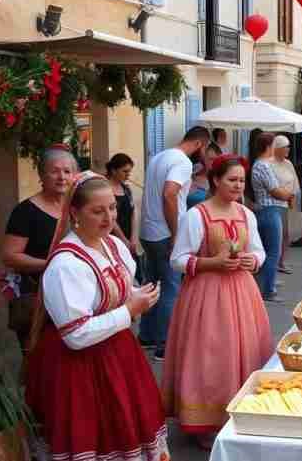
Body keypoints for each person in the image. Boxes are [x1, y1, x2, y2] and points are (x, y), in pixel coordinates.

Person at [25, 172, 168, 461]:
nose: (109, 218)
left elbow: (120, 290)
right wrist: (130, 310)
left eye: (112, 208)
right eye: (98, 211)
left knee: (125, 424)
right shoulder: (66, 264)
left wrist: (139, 296)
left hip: (119, 354)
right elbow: (76, 335)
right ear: (75, 212)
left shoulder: (113, 246)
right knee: (92, 435)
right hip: (78, 367)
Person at [163, 155, 271, 450]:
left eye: (241, 180)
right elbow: (177, 260)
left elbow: (259, 251)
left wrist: (254, 260)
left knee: (245, 351)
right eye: (232, 180)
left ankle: (240, 415)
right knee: (211, 357)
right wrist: (211, 263)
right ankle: (206, 422)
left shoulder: (246, 214)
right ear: (215, 180)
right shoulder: (197, 215)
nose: (238, 185)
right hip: (206, 296)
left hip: (242, 293)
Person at [139, 126, 211, 361]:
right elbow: (170, 194)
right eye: (206, 148)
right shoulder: (182, 162)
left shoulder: (160, 155)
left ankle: (147, 336)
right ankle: (166, 344)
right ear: (200, 144)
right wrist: (175, 233)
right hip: (164, 232)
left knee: (152, 285)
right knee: (171, 288)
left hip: (148, 231)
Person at [2, 146, 78, 352]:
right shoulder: (25, 212)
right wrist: (51, 265)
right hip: (37, 297)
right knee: (38, 358)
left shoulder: (78, 209)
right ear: (42, 176)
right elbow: (10, 256)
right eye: (54, 171)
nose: (61, 177)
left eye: (67, 171)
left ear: (75, 176)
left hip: (73, 298)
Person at [249, 133, 294, 302]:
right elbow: (276, 191)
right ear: (269, 146)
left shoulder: (261, 164)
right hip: (270, 210)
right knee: (273, 251)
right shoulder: (263, 165)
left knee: (267, 250)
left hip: (267, 209)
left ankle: (266, 283)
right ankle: (268, 290)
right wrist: (288, 194)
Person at [268, 135, 299, 274]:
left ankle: (281, 261)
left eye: (288, 146)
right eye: (285, 146)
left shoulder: (288, 163)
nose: (288, 149)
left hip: (287, 202)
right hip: (274, 203)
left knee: (285, 234)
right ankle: (274, 263)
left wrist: (293, 196)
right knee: (277, 234)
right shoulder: (269, 164)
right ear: (278, 148)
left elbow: (294, 181)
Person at [106, 153, 140, 259]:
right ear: (113, 170)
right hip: (112, 238)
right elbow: (110, 218)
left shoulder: (126, 189)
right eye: (124, 171)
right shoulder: (105, 188)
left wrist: (134, 237)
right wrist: (123, 240)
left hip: (128, 238)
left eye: (129, 171)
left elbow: (133, 212)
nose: (128, 175)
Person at [186, 143, 221, 209]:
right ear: (203, 158)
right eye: (211, 159)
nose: (214, 162)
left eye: (217, 159)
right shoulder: (194, 170)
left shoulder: (220, 179)